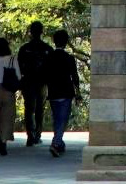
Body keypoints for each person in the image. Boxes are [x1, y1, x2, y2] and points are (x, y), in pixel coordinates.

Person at [45, 28, 80, 158]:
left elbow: (45, 75)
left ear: (54, 41)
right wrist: (78, 92)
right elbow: (75, 77)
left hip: (53, 92)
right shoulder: (69, 58)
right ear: (66, 42)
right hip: (66, 92)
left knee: (57, 119)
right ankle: (56, 143)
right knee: (62, 119)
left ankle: (59, 142)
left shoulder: (49, 57)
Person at [18, 21, 51, 146]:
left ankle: (30, 135)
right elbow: (50, 69)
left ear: (30, 32)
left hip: (28, 82)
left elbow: (19, 67)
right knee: (39, 109)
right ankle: (37, 134)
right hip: (41, 82)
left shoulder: (24, 49)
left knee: (29, 109)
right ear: (42, 32)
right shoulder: (47, 49)